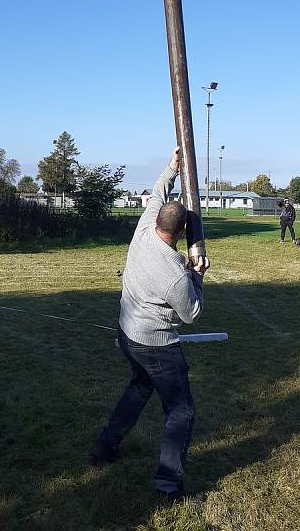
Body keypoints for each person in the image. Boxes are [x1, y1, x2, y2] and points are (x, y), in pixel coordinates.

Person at [90, 147, 209, 503]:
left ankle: (105, 447)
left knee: (140, 388)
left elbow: (158, 193)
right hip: (157, 346)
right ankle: (168, 486)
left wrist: (172, 167)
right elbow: (192, 314)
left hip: (127, 334)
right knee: (180, 411)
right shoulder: (175, 274)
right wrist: (197, 276)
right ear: (183, 230)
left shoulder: (142, 230)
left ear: (158, 220)